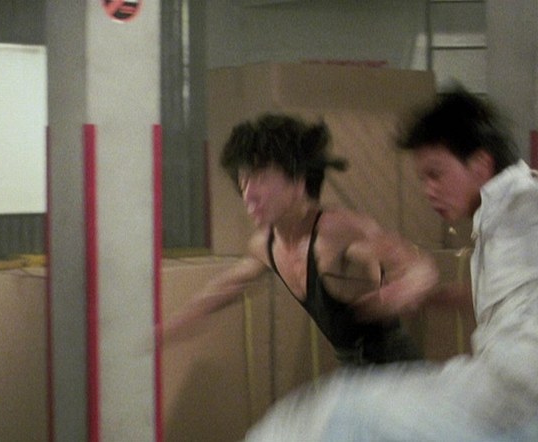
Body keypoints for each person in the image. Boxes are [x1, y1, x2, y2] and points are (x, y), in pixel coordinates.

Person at [244, 89, 538, 441]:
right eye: (422, 178)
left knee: (325, 415)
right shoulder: (499, 218)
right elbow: (510, 298)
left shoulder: (524, 206)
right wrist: (432, 298)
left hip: (532, 407)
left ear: (480, 164)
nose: (428, 190)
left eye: (436, 174)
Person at [163, 113, 438, 366]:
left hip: (402, 376)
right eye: (243, 181)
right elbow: (223, 289)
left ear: (298, 181)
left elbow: (416, 265)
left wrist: (408, 287)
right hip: (355, 375)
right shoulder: (264, 245)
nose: (248, 195)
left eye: (260, 178)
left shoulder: (336, 230)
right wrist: (166, 330)